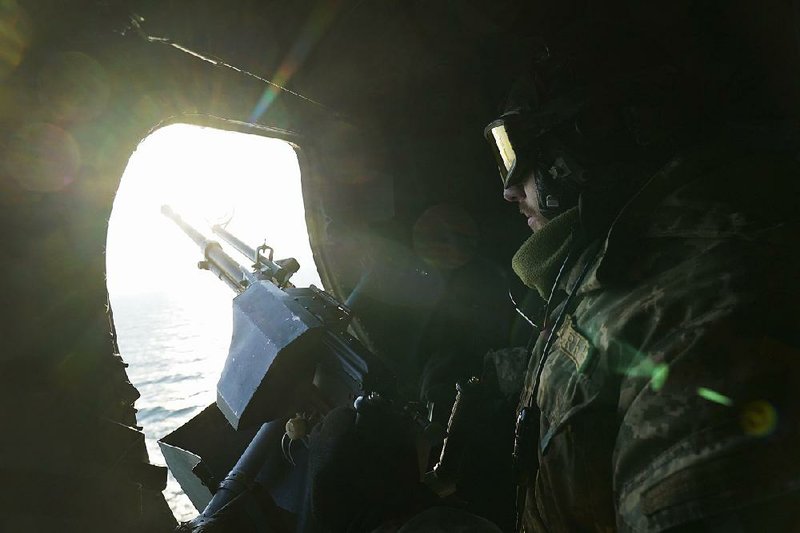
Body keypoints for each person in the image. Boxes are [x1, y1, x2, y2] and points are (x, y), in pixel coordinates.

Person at [484, 8, 800, 533]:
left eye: (518, 154)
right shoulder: (621, 265)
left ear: (588, 144)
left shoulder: (709, 311)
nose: (509, 189)